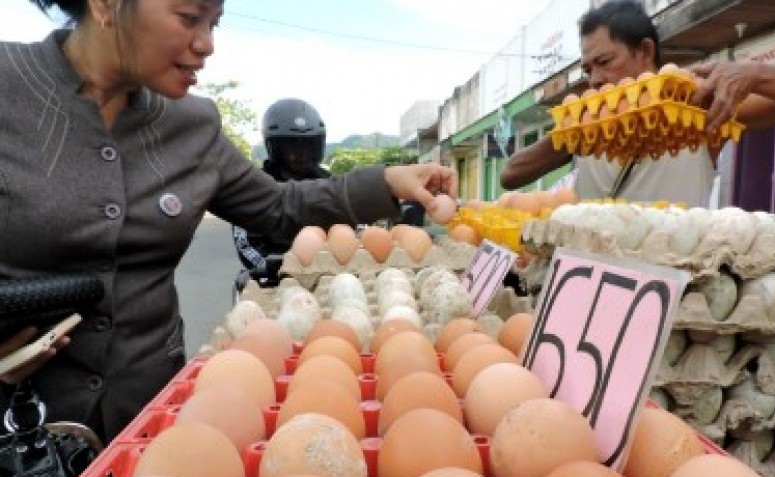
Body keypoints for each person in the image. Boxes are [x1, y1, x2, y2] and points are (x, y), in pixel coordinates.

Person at [0, 0, 457, 445]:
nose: (207, 44)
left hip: (150, 417)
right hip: (17, 425)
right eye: (189, 18)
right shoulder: (8, 88)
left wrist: (386, 183)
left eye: (215, 22)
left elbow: (280, 206)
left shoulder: (192, 125)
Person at [500, 0, 775, 206]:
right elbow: (510, 175)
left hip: (667, 294)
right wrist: (573, 132)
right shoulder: (586, 127)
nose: (596, 79)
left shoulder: (696, 106)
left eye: (605, 61)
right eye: (588, 69)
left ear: (644, 51)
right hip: (592, 288)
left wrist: (755, 74)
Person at [231, 98, 331, 288]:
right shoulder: (255, 185)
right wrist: (278, 267)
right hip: (274, 278)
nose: (301, 153)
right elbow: (245, 244)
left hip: (325, 274)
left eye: (308, 145)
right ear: (274, 147)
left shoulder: (327, 182)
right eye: (291, 145)